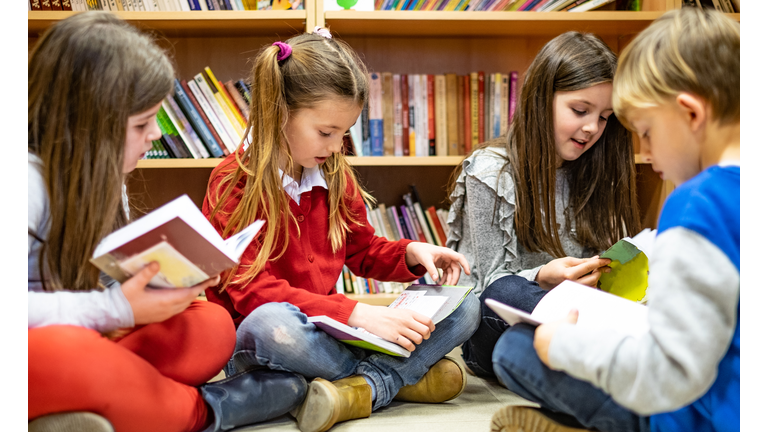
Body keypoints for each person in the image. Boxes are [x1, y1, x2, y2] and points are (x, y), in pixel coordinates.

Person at [27, 12, 308, 432]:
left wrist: (166, 285)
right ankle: (207, 409)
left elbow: (99, 286)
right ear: (84, 127)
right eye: (141, 124)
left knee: (210, 325)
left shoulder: (103, 180)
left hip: (88, 330)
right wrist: (115, 307)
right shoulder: (24, 182)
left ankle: (101, 404)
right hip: (45, 344)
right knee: (68, 353)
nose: (155, 135)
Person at [202, 27, 481, 432]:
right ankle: (395, 380)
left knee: (466, 303)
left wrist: (411, 254)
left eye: (344, 133)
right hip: (280, 335)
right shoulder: (233, 182)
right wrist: (356, 313)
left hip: (334, 335)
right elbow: (252, 293)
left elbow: (363, 251)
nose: (336, 147)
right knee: (270, 323)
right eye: (326, 132)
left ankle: (359, 386)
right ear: (279, 111)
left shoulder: (333, 174)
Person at [490, 7, 740, 432]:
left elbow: (672, 373)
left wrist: (568, 346)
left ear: (691, 114)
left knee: (516, 348)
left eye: (645, 131)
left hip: (697, 415)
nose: (646, 151)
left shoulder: (697, 203)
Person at [446, 31, 641, 378]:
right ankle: (605, 354)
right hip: (498, 326)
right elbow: (488, 284)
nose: (591, 128)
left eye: (605, 117)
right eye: (580, 110)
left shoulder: (600, 170)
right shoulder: (491, 171)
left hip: (581, 317)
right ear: (540, 99)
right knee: (505, 290)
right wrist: (543, 276)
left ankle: (585, 357)